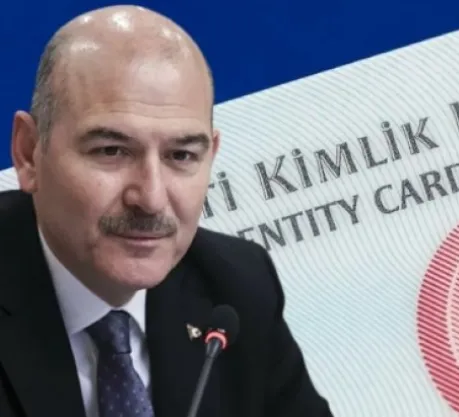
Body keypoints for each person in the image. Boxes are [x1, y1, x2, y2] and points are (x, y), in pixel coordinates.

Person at [0, 5, 333, 417]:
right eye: (111, 151)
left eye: (181, 155)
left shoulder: (234, 288)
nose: (152, 198)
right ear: (29, 153)